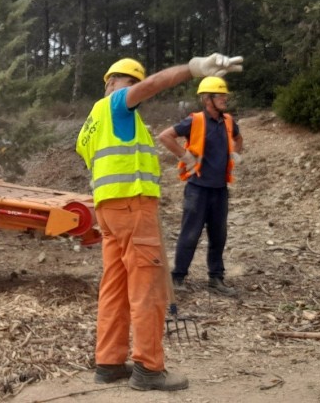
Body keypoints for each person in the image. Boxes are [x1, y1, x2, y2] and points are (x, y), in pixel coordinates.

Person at [76, 53, 243, 392]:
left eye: (135, 84)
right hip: (133, 208)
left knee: (115, 286)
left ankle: (108, 363)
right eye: (131, 82)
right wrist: (192, 69)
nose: (137, 89)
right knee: (147, 287)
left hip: (109, 211)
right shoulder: (115, 105)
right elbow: (154, 84)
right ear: (114, 83)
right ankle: (149, 369)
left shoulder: (91, 124)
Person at [157, 76, 243, 297]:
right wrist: (185, 156)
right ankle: (178, 277)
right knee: (190, 234)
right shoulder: (194, 121)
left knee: (218, 235)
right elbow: (165, 136)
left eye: (225, 95)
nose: (224, 98)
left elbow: (238, 138)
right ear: (207, 99)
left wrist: (235, 153)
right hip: (197, 188)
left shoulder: (228, 122)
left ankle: (216, 278)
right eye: (220, 95)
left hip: (219, 189)